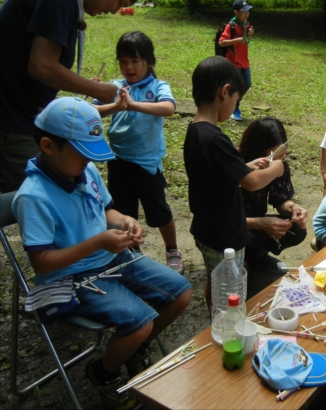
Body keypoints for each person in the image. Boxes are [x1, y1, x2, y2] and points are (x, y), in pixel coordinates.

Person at [12, 97, 192, 410]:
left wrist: (126, 221)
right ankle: (103, 373)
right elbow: (40, 262)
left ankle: (133, 350)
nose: (88, 160)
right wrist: (97, 243)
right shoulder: (34, 197)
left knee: (181, 294)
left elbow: (106, 209)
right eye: (82, 152)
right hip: (70, 277)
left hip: (112, 260)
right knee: (140, 323)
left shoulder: (86, 171)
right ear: (48, 145)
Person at [0, 0, 143, 193]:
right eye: (120, 2)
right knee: (35, 199)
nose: (116, 10)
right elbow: (42, 66)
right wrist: (97, 90)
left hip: (21, 117)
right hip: (11, 123)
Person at [183, 56, 284, 312]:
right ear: (225, 92)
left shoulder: (196, 131)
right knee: (229, 289)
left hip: (207, 228)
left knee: (215, 278)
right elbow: (251, 184)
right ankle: (222, 325)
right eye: (236, 100)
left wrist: (247, 165)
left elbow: (216, 172)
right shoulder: (216, 139)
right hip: (223, 235)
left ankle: (214, 317)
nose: (235, 105)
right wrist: (276, 169)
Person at [93, 31, 184, 273]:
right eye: (123, 61)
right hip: (118, 161)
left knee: (159, 212)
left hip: (146, 163)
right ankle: (133, 254)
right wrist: (103, 96)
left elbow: (168, 108)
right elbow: (92, 112)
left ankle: (172, 249)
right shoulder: (114, 86)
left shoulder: (157, 87)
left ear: (149, 61)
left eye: (135, 61)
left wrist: (133, 105)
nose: (128, 67)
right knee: (123, 213)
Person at [238, 117, 308, 297]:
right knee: (249, 240)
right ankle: (243, 262)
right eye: (273, 155)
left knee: (296, 230)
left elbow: (281, 199)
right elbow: (224, 217)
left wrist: (293, 208)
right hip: (232, 225)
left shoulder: (279, 164)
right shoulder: (236, 162)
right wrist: (262, 223)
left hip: (257, 222)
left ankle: (255, 258)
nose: (278, 160)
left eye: (281, 155)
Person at [218, 0, 254, 122]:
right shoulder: (231, 26)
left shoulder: (246, 24)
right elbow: (222, 42)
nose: (246, 14)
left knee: (247, 83)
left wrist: (249, 35)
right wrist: (238, 40)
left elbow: (246, 41)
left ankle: (234, 105)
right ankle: (233, 109)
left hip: (244, 61)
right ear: (236, 12)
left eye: (248, 11)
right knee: (236, 85)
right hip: (233, 62)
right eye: (243, 12)